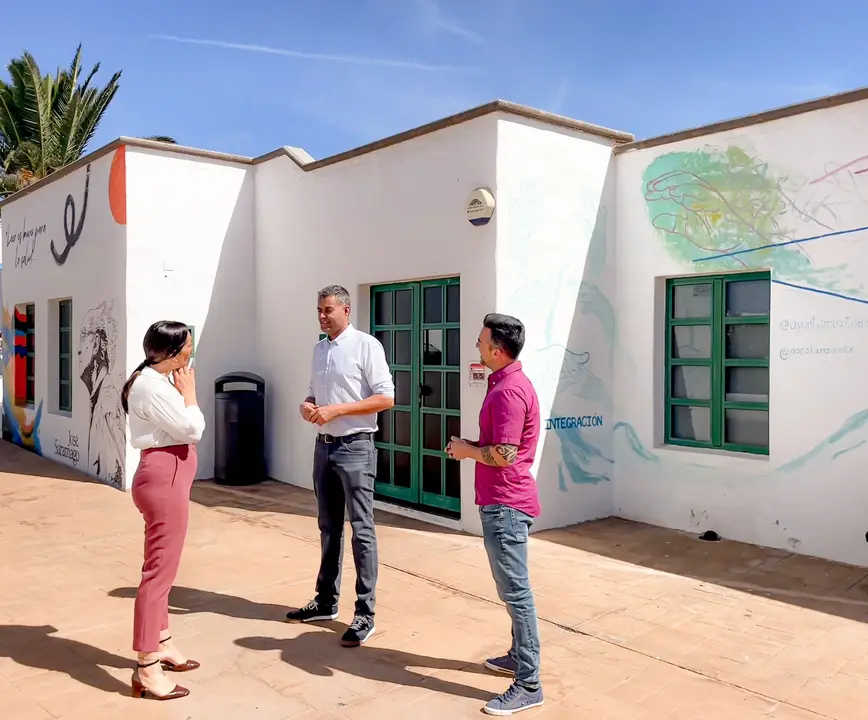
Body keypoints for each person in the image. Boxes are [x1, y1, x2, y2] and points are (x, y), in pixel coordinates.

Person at [446, 313, 544, 716]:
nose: (476, 346)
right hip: (503, 501)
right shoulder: (506, 382)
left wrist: (467, 451)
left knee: (516, 593)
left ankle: (529, 683)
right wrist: (470, 444)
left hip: (506, 505)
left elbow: (503, 455)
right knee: (512, 591)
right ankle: (518, 655)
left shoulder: (508, 392)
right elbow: (504, 446)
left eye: (481, 341)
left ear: (497, 350)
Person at [286, 285, 394, 648]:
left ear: (346, 310)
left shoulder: (367, 346)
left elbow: (386, 397)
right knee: (328, 527)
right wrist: (308, 405)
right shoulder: (320, 350)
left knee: (362, 531)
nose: (321, 316)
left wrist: (337, 410)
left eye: (327, 310)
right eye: (318, 309)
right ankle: (325, 601)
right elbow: (315, 395)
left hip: (356, 449)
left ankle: (365, 613)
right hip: (325, 448)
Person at [121, 321, 205, 701]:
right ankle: (147, 666)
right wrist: (191, 394)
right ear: (172, 352)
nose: (191, 352)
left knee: (163, 570)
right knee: (158, 575)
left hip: (169, 479)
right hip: (163, 480)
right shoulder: (151, 386)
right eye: (187, 346)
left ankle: (163, 641)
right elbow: (192, 429)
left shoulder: (157, 381)